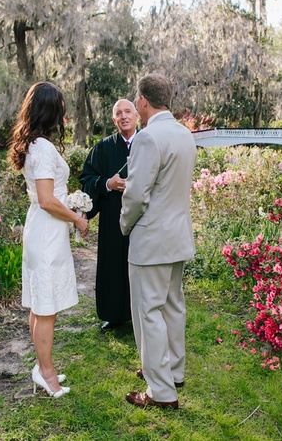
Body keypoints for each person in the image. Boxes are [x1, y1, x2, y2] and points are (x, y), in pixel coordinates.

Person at [119, 73, 197, 409]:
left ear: (143, 102)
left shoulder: (149, 138)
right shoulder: (185, 135)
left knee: (148, 312)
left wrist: (125, 225)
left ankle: (161, 392)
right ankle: (172, 371)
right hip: (178, 235)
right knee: (173, 306)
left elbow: (136, 195)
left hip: (151, 240)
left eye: (136, 100)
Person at [8, 81, 89, 398]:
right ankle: (46, 372)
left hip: (43, 229)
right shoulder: (42, 149)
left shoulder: (35, 144)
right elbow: (47, 199)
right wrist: (77, 217)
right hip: (46, 229)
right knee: (46, 308)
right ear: (52, 111)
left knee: (40, 304)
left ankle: (42, 366)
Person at [79, 99, 139, 333]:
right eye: (118, 114)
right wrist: (107, 183)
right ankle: (113, 316)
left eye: (127, 112)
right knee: (114, 265)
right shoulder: (102, 148)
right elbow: (87, 178)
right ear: (114, 120)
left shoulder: (148, 144)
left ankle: (140, 316)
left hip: (142, 219)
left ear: (136, 115)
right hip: (113, 218)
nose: (124, 117)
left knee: (140, 267)